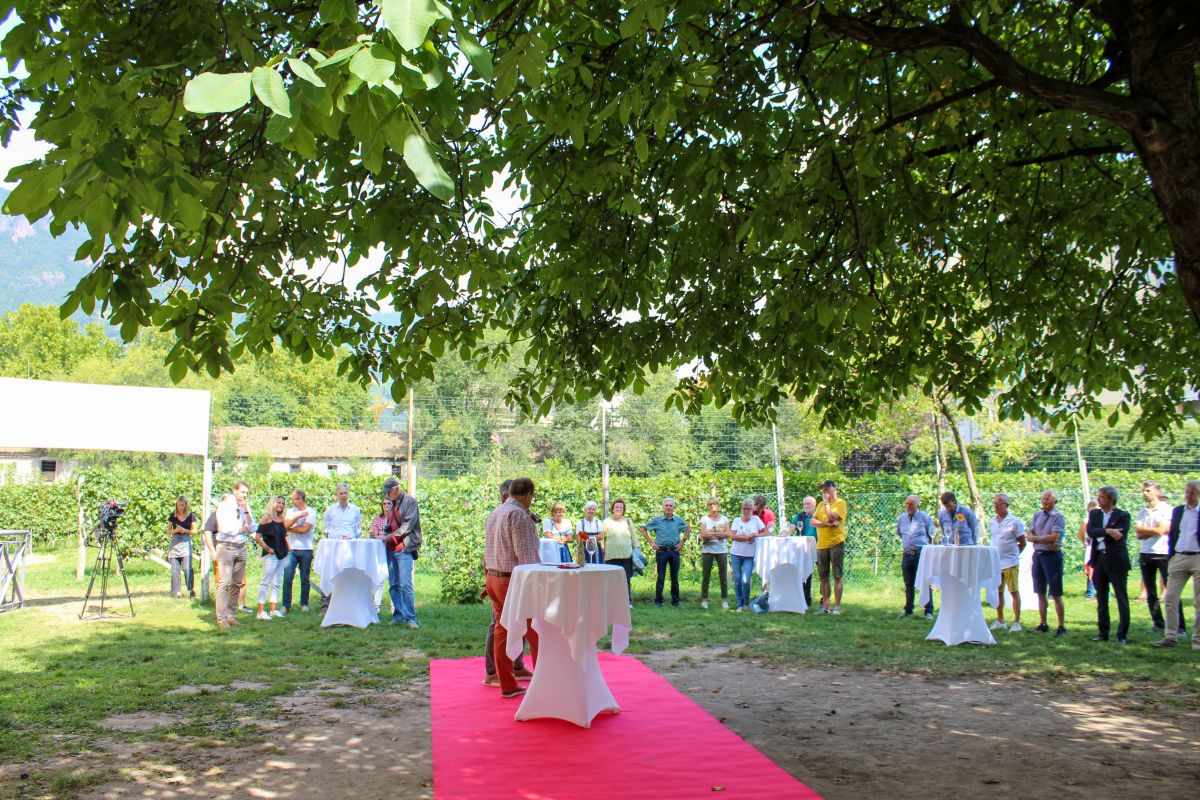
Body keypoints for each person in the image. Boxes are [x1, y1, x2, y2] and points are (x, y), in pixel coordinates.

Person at [484, 476, 542, 698]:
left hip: (493, 576)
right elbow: (526, 558)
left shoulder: (495, 512)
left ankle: (507, 684)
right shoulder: (519, 515)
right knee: (535, 629)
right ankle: (543, 682)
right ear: (528, 495)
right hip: (513, 581)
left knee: (502, 629)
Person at [1153, 479, 1200, 650]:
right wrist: (1172, 556)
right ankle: (1170, 637)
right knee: (1170, 598)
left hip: (1198, 557)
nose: (1188, 496)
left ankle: (1197, 640)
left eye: (1192, 493)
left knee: (1199, 601)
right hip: (1179, 557)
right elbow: (1173, 533)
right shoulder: (1178, 511)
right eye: (1187, 492)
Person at [1086, 485, 1131, 644]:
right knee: (1101, 598)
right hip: (1099, 559)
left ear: (1111, 499)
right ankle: (1103, 632)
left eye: (1101, 497)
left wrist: (1103, 533)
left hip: (1116, 560)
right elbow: (1091, 531)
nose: (1098, 500)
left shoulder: (1123, 515)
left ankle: (1122, 634)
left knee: (1121, 597)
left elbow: (1120, 535)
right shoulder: (1095, 514)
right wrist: (1108, 531)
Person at [1135, 480, 1180, 635]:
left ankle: (1179, 626)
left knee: (1172, 591)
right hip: (1146, 552)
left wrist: (1145, 529)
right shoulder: (1142, 512)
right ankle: (1158, 623)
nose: (1145, 493)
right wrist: (1153, 530)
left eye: (1148, 490)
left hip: (1163, 553)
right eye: (1143, 491)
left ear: (1157, 492)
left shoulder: (1166, 509)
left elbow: (1162, 530)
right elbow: (1139, 535)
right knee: (1151, 592)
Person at [381, 476, 422, 628]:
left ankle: (411, 618)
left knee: (405, 585)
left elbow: (407, 527)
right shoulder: (393, 503)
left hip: (404, 548)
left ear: (397, 489)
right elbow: (391, 524)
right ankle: (398, 615)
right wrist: (385, 532)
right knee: (393, 584)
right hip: (391, 549)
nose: (387, 495)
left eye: (389, 492)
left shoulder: (410, 502)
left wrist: (388, 537)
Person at [214, 482, 254, 629]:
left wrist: (246, 513)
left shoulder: (245, 507)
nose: (244, 495)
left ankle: (231, 616)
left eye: (246, 493)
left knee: (237, 583)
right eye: (242, 492)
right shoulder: (225, 507)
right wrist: (241, 529)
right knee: (224, 583)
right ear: (235, 491)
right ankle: (221, 619)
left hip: (241, 547)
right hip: (226, 547)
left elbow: (253, 527)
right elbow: (225, 529)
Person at [1028, 490, 1068, 637]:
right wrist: (1039, 538)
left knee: (1056, 593)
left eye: (1048, 499)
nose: (1045, 501)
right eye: (1043, 498)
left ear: (1054, 501)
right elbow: (1029, 533)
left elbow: (1054, 537)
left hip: (1052, 557)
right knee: (1040, 591)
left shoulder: (1058, 516)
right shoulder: (1037, 515)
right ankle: (1043, 623)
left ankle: (1061, 626)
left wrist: (1036, 539)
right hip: (1038, 555)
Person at [640, 497, 690, 608]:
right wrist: (651, 543)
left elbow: (688, 529)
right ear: (663, 507)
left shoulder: (678, 520)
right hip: (661, 552)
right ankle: (658, 601)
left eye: (670, 506)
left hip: (674, 552)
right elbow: (643, 529)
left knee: (674, 577)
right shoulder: (657, 520)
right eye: (666, 505)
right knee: (661, 577)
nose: (668, 507)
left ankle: (676, 602)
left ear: (674, 507)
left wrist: (682, 542)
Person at [989, 493, 1025, 632]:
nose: (997, 506)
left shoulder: (1014, 522)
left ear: (1006, 505)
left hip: (1010, 562)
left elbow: (1022, 542)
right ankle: (1000, 619)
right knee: (998, 591)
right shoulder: (992, 521)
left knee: (1013, 591)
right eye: (995, 504)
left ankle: (1016, 622)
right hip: (996, 562)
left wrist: (1014, 554)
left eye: (1000, 504)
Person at [812, 480, 848, 615]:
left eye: (826, 489)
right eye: (823, 490)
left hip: (836, 543)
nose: (824, 492)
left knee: (837, 575)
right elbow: (813, 521)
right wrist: (827, 524)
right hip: (821, 545)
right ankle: (825, 607)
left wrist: (827, 504)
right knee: (823, 576)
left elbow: (832, 517)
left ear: (834, 489)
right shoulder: (820, 505)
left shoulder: (840, 503)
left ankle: (837, 607)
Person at [896, 495, 935, 619]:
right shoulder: (901, 518)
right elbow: (900, 534)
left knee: (925, 581)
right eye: (907, 504)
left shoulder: (925, 518)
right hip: (907, 554)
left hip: (921, 553)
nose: (908, 506)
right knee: (908, 583)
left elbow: (931, 535)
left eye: (911, 504)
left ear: (918, 505)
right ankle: (908, 610)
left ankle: (928, 611)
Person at [253, 495, 289, 620]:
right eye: (278, 502)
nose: (280, 505)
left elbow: (283, 537)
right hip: (271, 555)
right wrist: (268, 549)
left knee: (277, 582)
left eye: (282, 503)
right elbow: (257, 537)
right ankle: (260, 611)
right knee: (266, 582)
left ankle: (273, 610)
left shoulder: (281, 519)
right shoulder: (267, 517)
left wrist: (287, 549)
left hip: (282, 554)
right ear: (273, 503)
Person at [282, 489, 316, 613]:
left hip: (306, 549)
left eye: (294, 498)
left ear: (300, 499)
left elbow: (304, 530)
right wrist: (297, 517)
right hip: (291, 549)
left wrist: (290, 529)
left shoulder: (311, 512)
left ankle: (304, 604)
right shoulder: (291, 511)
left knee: (305, 578)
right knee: (288, 577)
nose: (292, 501)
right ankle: (286, 605)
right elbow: (285, 525)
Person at [729, 498, 766, 612]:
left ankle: (746, 602)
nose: (746, 511)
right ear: (741, 509)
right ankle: (739, 604)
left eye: (748, 509)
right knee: (737, 578)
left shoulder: (756, 520)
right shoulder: (736, 520)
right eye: (744, 509)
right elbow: (732, 536)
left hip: (749, 555)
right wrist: (746, 538)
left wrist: (755, 535)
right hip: (736, 553)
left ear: (752, 509)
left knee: (745, 579)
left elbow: (767, 532)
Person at [603, 499, 637, 607]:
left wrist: (637, 548)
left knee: (626, 580)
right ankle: (611, 603)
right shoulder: (606, 522)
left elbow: (634, 537)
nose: (619, 509)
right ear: (612, 509)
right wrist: (602, 548)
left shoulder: (628, 521)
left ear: (624, 510)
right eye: (616, 507)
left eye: (621, 507)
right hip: (611, 557)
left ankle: (627, 602)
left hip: (626, 556)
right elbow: (601, 537)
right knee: (611, 581)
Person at [698, 497, 731, 610]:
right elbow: (703, 535)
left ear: (718, 505)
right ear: (708, 506)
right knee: (706, 576)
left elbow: (728, 534)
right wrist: (720, 534)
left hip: (721, 551)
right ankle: (704, 599)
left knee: (723, 576)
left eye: (714, 503)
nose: (712, 505)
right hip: (707, 551)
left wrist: (711, 533)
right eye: (710, 504)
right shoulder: (704, 519)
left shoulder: (724, 519)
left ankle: (724, 599)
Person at [786, 496, 818, 605]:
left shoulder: (819, 515)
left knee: (823, 573)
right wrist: (786, 533)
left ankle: (824, 600)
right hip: (802, 548)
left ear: (814, 504)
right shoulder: (799, 516)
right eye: (804, 504)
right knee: (804, 572)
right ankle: (805, 598)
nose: (806, 506)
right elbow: (791, 528)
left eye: (808, 504)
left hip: (818, 547)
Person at [167, 496, 197, 598]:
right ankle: (177, 592)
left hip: (186, 544)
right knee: (175, 570)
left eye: (182, 505)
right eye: (179, 505)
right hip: (175, 543)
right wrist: (175, 530)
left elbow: (194, 531)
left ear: (186, 505)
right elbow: (168, 531)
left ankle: (191, 589)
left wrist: (184, 530)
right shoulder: (173, 516)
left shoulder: (191, 516)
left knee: (187, 568)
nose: (181, 507)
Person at [1076, 501, 1099, 600]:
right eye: (1091, 507)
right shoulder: (1086, 521)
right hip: (1091, 548)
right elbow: (1080, 535)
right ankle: (1090, 593)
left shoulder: (1102, 519)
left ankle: (1105, 593)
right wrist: (1085, 543)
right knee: (1091, 569)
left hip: (1100, 548)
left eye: (1096, 507)